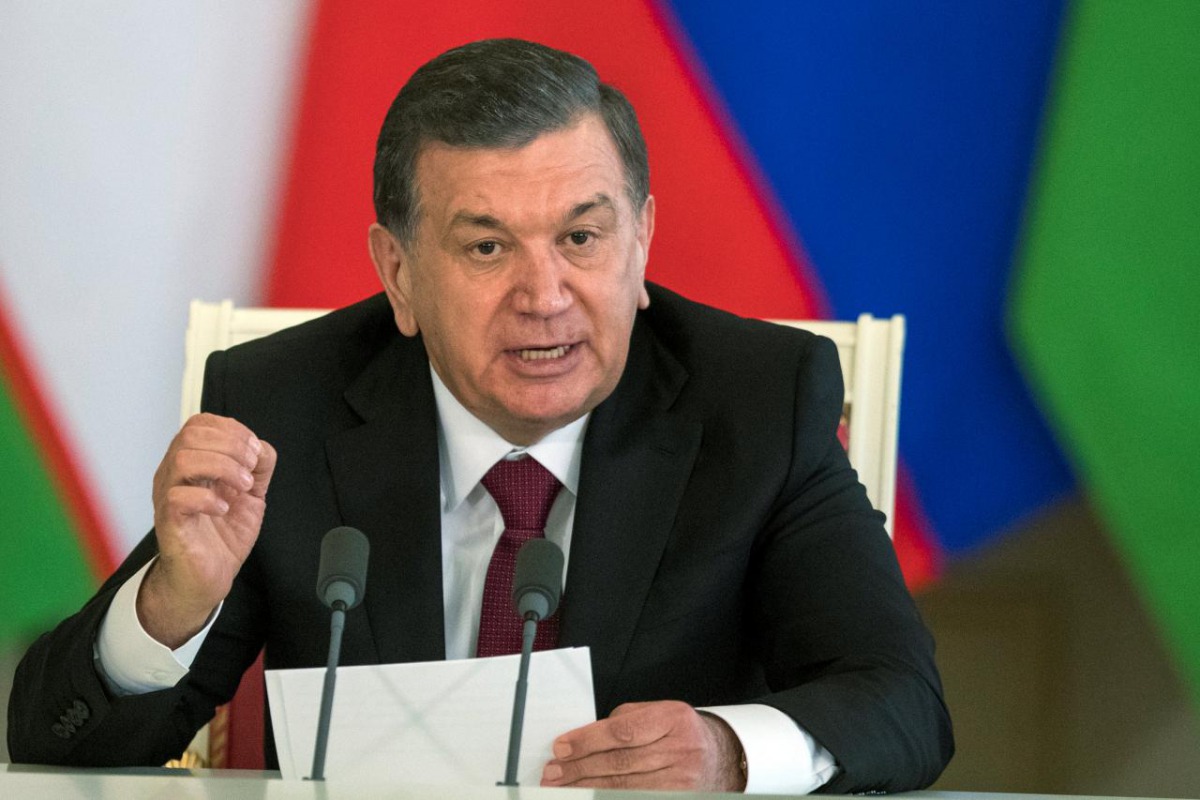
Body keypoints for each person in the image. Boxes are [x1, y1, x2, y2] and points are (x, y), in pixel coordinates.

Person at [7, 38, 952, 793]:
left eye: (582, 237)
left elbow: (903, 702)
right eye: (488, 247)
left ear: (641, 241)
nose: (546, 295)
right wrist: (175, 605)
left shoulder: (757, 398)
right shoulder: (283, 404)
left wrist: (725, 752)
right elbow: (53, 741)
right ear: (398, 273)